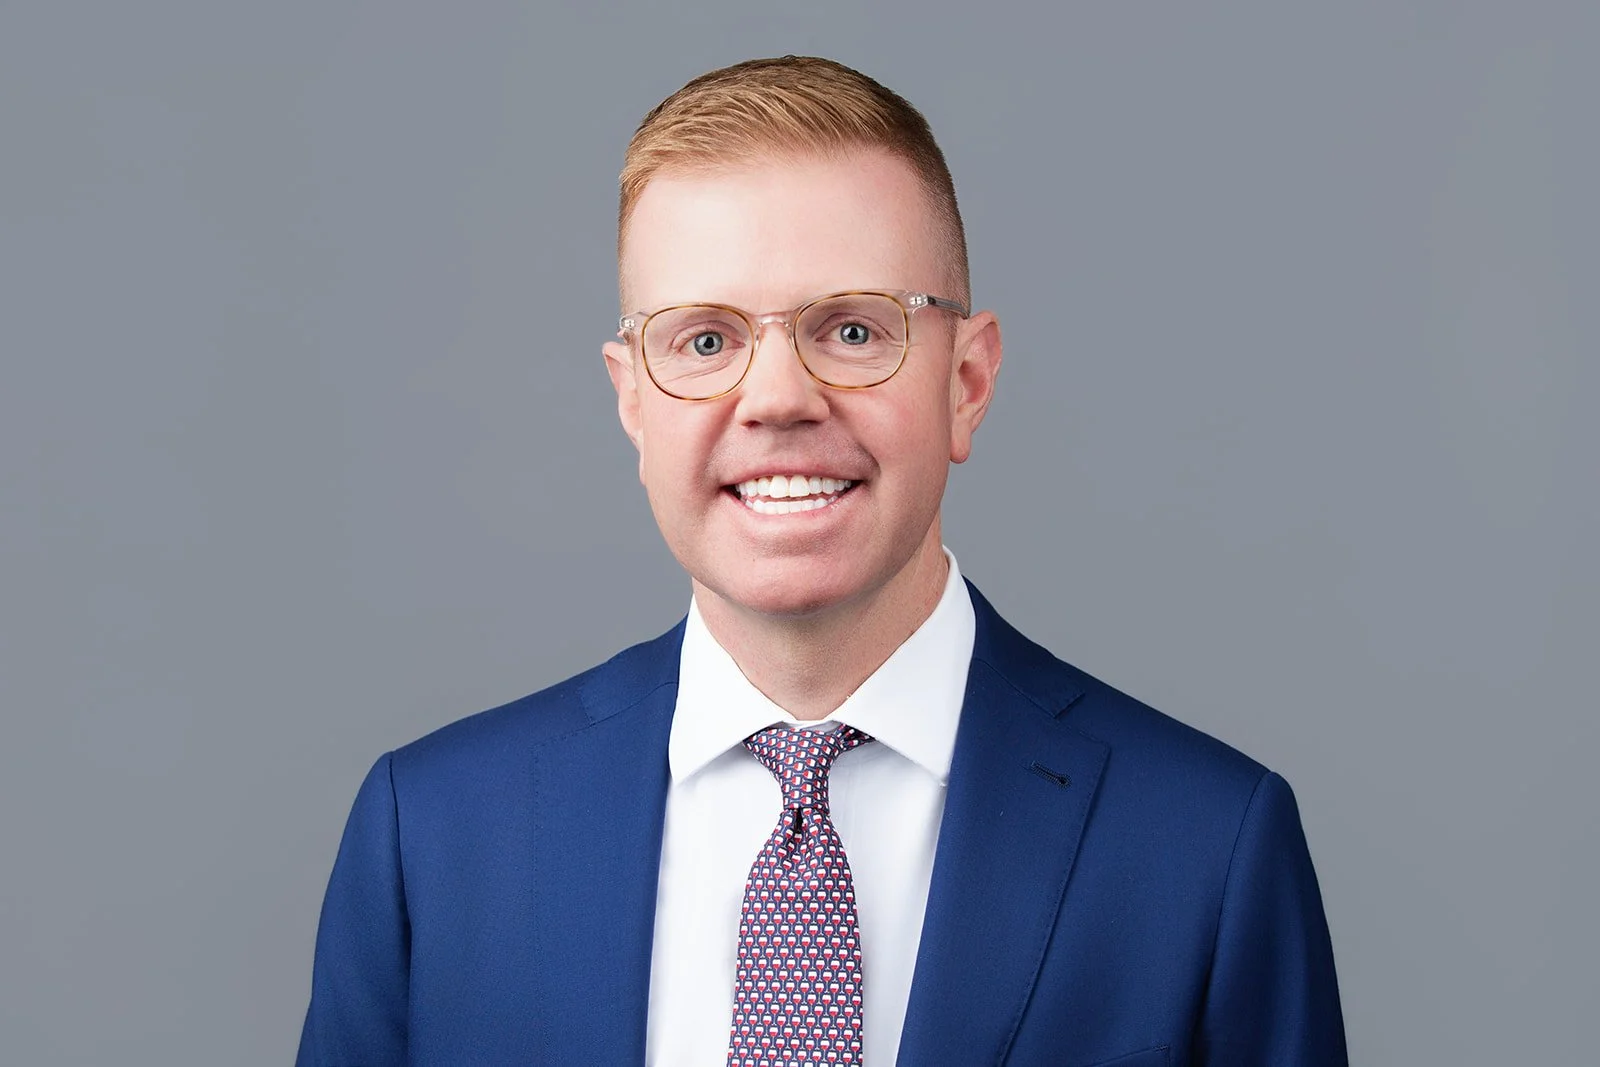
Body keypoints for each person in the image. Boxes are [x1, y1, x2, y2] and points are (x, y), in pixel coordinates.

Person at [297, 56, 1347, 1066]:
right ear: (630, 397)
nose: (778, 397)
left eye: (850, 329)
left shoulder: (1203, 845)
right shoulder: (431, 837)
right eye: (704, 340)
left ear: (967, 381)